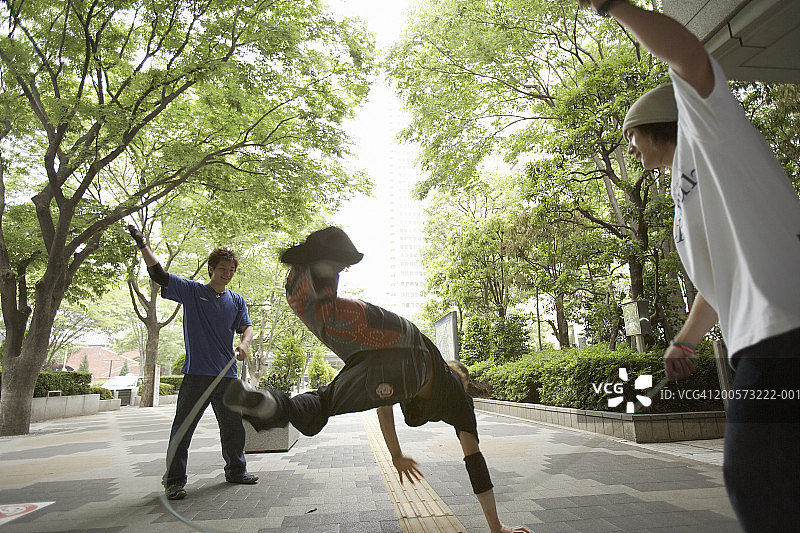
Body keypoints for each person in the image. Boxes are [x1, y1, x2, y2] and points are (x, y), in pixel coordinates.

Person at [578, 1, 800, 530]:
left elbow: (689, 56)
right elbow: (715, 284)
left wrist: (612, 7)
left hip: (784, 334)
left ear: (657, 126)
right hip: (764, 343)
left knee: (756, 478)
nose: (629, 149)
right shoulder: (683, 194)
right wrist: (686, 340)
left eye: (630, 136)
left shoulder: (711, 136)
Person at [224, 226, 530, 533]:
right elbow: (474, 462)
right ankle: (326, 267)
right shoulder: (460, 403)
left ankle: (271, 402)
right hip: (411, 355)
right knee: (329, 393)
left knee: (323, 392)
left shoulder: (440, 385)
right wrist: (497, 527)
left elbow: (384, 405)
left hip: (390, 340)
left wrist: (396, 455)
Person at [128, 225, 258, 501]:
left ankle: (236, 470)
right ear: (211, 269)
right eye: (223, 268)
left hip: (227, 376)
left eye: (232, 269)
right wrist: (141, 242)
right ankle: (174, 481)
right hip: (197, 375)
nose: (228, 273)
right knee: (183, 429)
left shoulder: (236, 300)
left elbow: (247, 328)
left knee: (233, 428)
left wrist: (244, 344)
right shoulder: (191, 291)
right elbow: (159, 275)